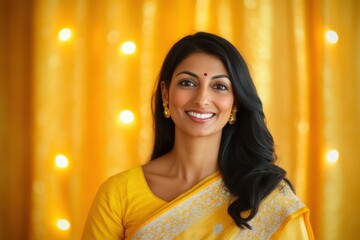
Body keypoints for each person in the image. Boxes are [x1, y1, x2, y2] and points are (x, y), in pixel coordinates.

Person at [82, 32, 314, 239]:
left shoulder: (266, 196)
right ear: (166, 94)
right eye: (188, 83)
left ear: (235, 103)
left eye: (219, 86)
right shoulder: (118, 194)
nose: (201, 99)